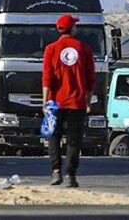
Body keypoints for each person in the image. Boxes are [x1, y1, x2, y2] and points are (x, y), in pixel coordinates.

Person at [42, 13, 95, 187]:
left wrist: (45, 101)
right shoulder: (84, 49)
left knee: (54, 137)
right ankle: (71, 175)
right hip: (77, 102)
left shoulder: (51, 49)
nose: (76, 27)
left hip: (55, 101)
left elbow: (47, 78)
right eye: (75, 25)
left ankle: (56, 172)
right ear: (71, 28)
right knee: (74, 139)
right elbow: (90, 80)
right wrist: (87, 101)